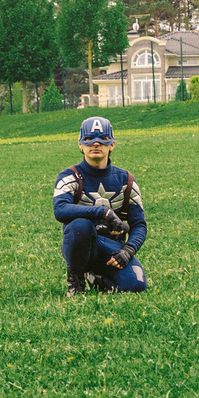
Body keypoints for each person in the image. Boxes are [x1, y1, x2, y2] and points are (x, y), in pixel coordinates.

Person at [54, 116, 148, 293]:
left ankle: (98, 279)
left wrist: (128, 250)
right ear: (80, 145)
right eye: (89, 140)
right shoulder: (69, 176)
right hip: (82, 245)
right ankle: (76, 281)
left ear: (112, 145)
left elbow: (139, 225)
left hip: (113, 248)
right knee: (79, 225)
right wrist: (102, 212)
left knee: (136, 285)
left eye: (103, 140)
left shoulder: (126, 180)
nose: (96, 144)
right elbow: (60, 210)